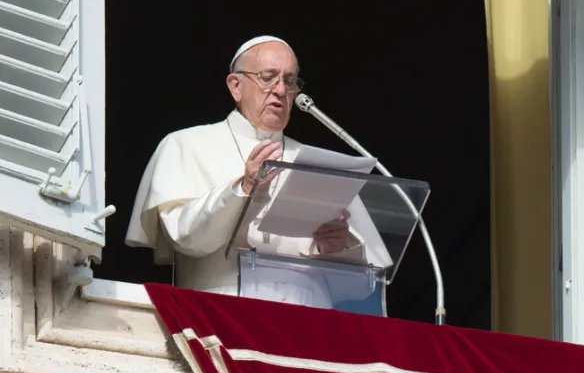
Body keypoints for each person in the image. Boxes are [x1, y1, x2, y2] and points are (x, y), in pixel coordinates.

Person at [125, 36, 391, 309]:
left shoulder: (319, 164)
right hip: (222, 313)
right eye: (268, 77)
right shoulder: (185, 144)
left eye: (289, 82)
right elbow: (187, 238)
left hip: (311, 321)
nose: (280, 90)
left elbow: (361, 289)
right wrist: (243, 189)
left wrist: (340, 246)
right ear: (236, 86)